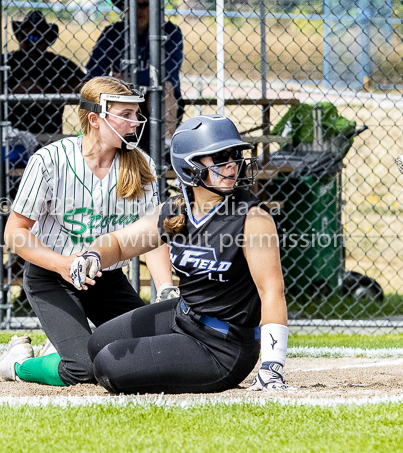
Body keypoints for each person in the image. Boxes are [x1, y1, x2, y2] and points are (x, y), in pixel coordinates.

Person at [73, 114, 289, 394]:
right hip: (184, 316)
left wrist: (272, 367)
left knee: (107, 366)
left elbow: (272, 291)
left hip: (223, 347)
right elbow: (119, 243)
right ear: (189, 166)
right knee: (97, 343)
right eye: (220, 156)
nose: (233, 164)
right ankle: (26, 363)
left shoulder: (252, 217)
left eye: (235, 154)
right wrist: (93, 256)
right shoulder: (177, 209)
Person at [0, 76, 177, 386]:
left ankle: (69, 341)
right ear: (94, 119)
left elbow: (153, 239)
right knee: (83, 369)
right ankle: (19, 363)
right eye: (126, 114)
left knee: (158, 354)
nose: (135, 122)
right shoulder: (50, 160)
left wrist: (164, 290)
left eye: (136, 114)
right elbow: (15, 232)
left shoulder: (142, 165)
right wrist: (62, 264)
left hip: (107, 280)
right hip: (52, 276)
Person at [86, 0, 183, 154]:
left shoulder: (169, 32)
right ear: (124, 7)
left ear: (154, 7)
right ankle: (108, 149)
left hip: (157, 98)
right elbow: (93, 72)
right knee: (109, 94)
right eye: (131, 5)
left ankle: (166, 151)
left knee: (164, 89)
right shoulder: (113, 33)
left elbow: (167, 74)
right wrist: (116, 84)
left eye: (144, 5)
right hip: (121, 96)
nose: (137, 10)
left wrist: (126, 80)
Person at [0, 10, 85, 135]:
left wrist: (46, 92)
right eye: (26, 38)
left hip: (48, 132)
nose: (32, 44)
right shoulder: (4, 61)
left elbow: (86, 86)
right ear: (19, 38)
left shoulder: (58, 63)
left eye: (38, 39)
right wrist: (11, 92)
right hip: (9, 134)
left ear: (47, 40)